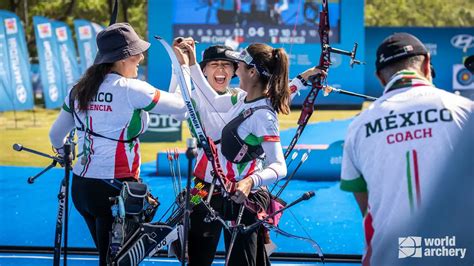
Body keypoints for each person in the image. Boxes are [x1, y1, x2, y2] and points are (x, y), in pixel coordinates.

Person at [175, 38, 324, 265]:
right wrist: (189, 63)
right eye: (215, 64)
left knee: (245, 261)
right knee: (195, 254)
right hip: (203, 185)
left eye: (237, 66)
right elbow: (213, 98)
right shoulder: (242, 98)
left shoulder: (261, 113)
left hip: (243, 194)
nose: (233, 70)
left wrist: (249, 182)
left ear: (252, 72)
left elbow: (279, 165)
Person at [48, 23, 188, 265]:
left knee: (111, 258)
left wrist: (63, 154)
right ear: (123, 58)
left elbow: (55, 135)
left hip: (82, 188)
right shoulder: (131, 89)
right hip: (116, 191)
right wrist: (182, 68)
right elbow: (183, 109)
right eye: (136, 53)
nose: (141, 58)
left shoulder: (77, 89)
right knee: (118, 262)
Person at [339, 32, 473, 266]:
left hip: (390, 257)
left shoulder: (358, 127)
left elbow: (366, 208)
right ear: (428, 65)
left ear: (380, 78)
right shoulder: (465, 109)